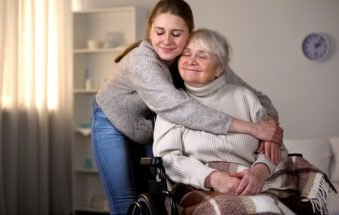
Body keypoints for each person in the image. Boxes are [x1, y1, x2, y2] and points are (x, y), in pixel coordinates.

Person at [91, 0, 283, 214]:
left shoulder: (198, 57)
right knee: (125, 201)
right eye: (159, 32)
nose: (166, 41)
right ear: (150, 30)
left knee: (154, 197)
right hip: (111, 120)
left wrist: (270, 129)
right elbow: (180, 110)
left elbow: (260, 99)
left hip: (147, 126)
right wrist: (253, 128)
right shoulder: (143, 62)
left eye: (176, 34)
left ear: (189, 34)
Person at [153, 28, 335, 214]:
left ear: (220, 68)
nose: (191, 60)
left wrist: (259, 172)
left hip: (253, 185)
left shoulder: (244, 97)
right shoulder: (173, 104)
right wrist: (213, 178)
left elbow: (275, 148)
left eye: (202, 56)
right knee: (259, 207)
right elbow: (167, 158)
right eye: (186, 54)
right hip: (197, 187)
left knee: (266, 206)